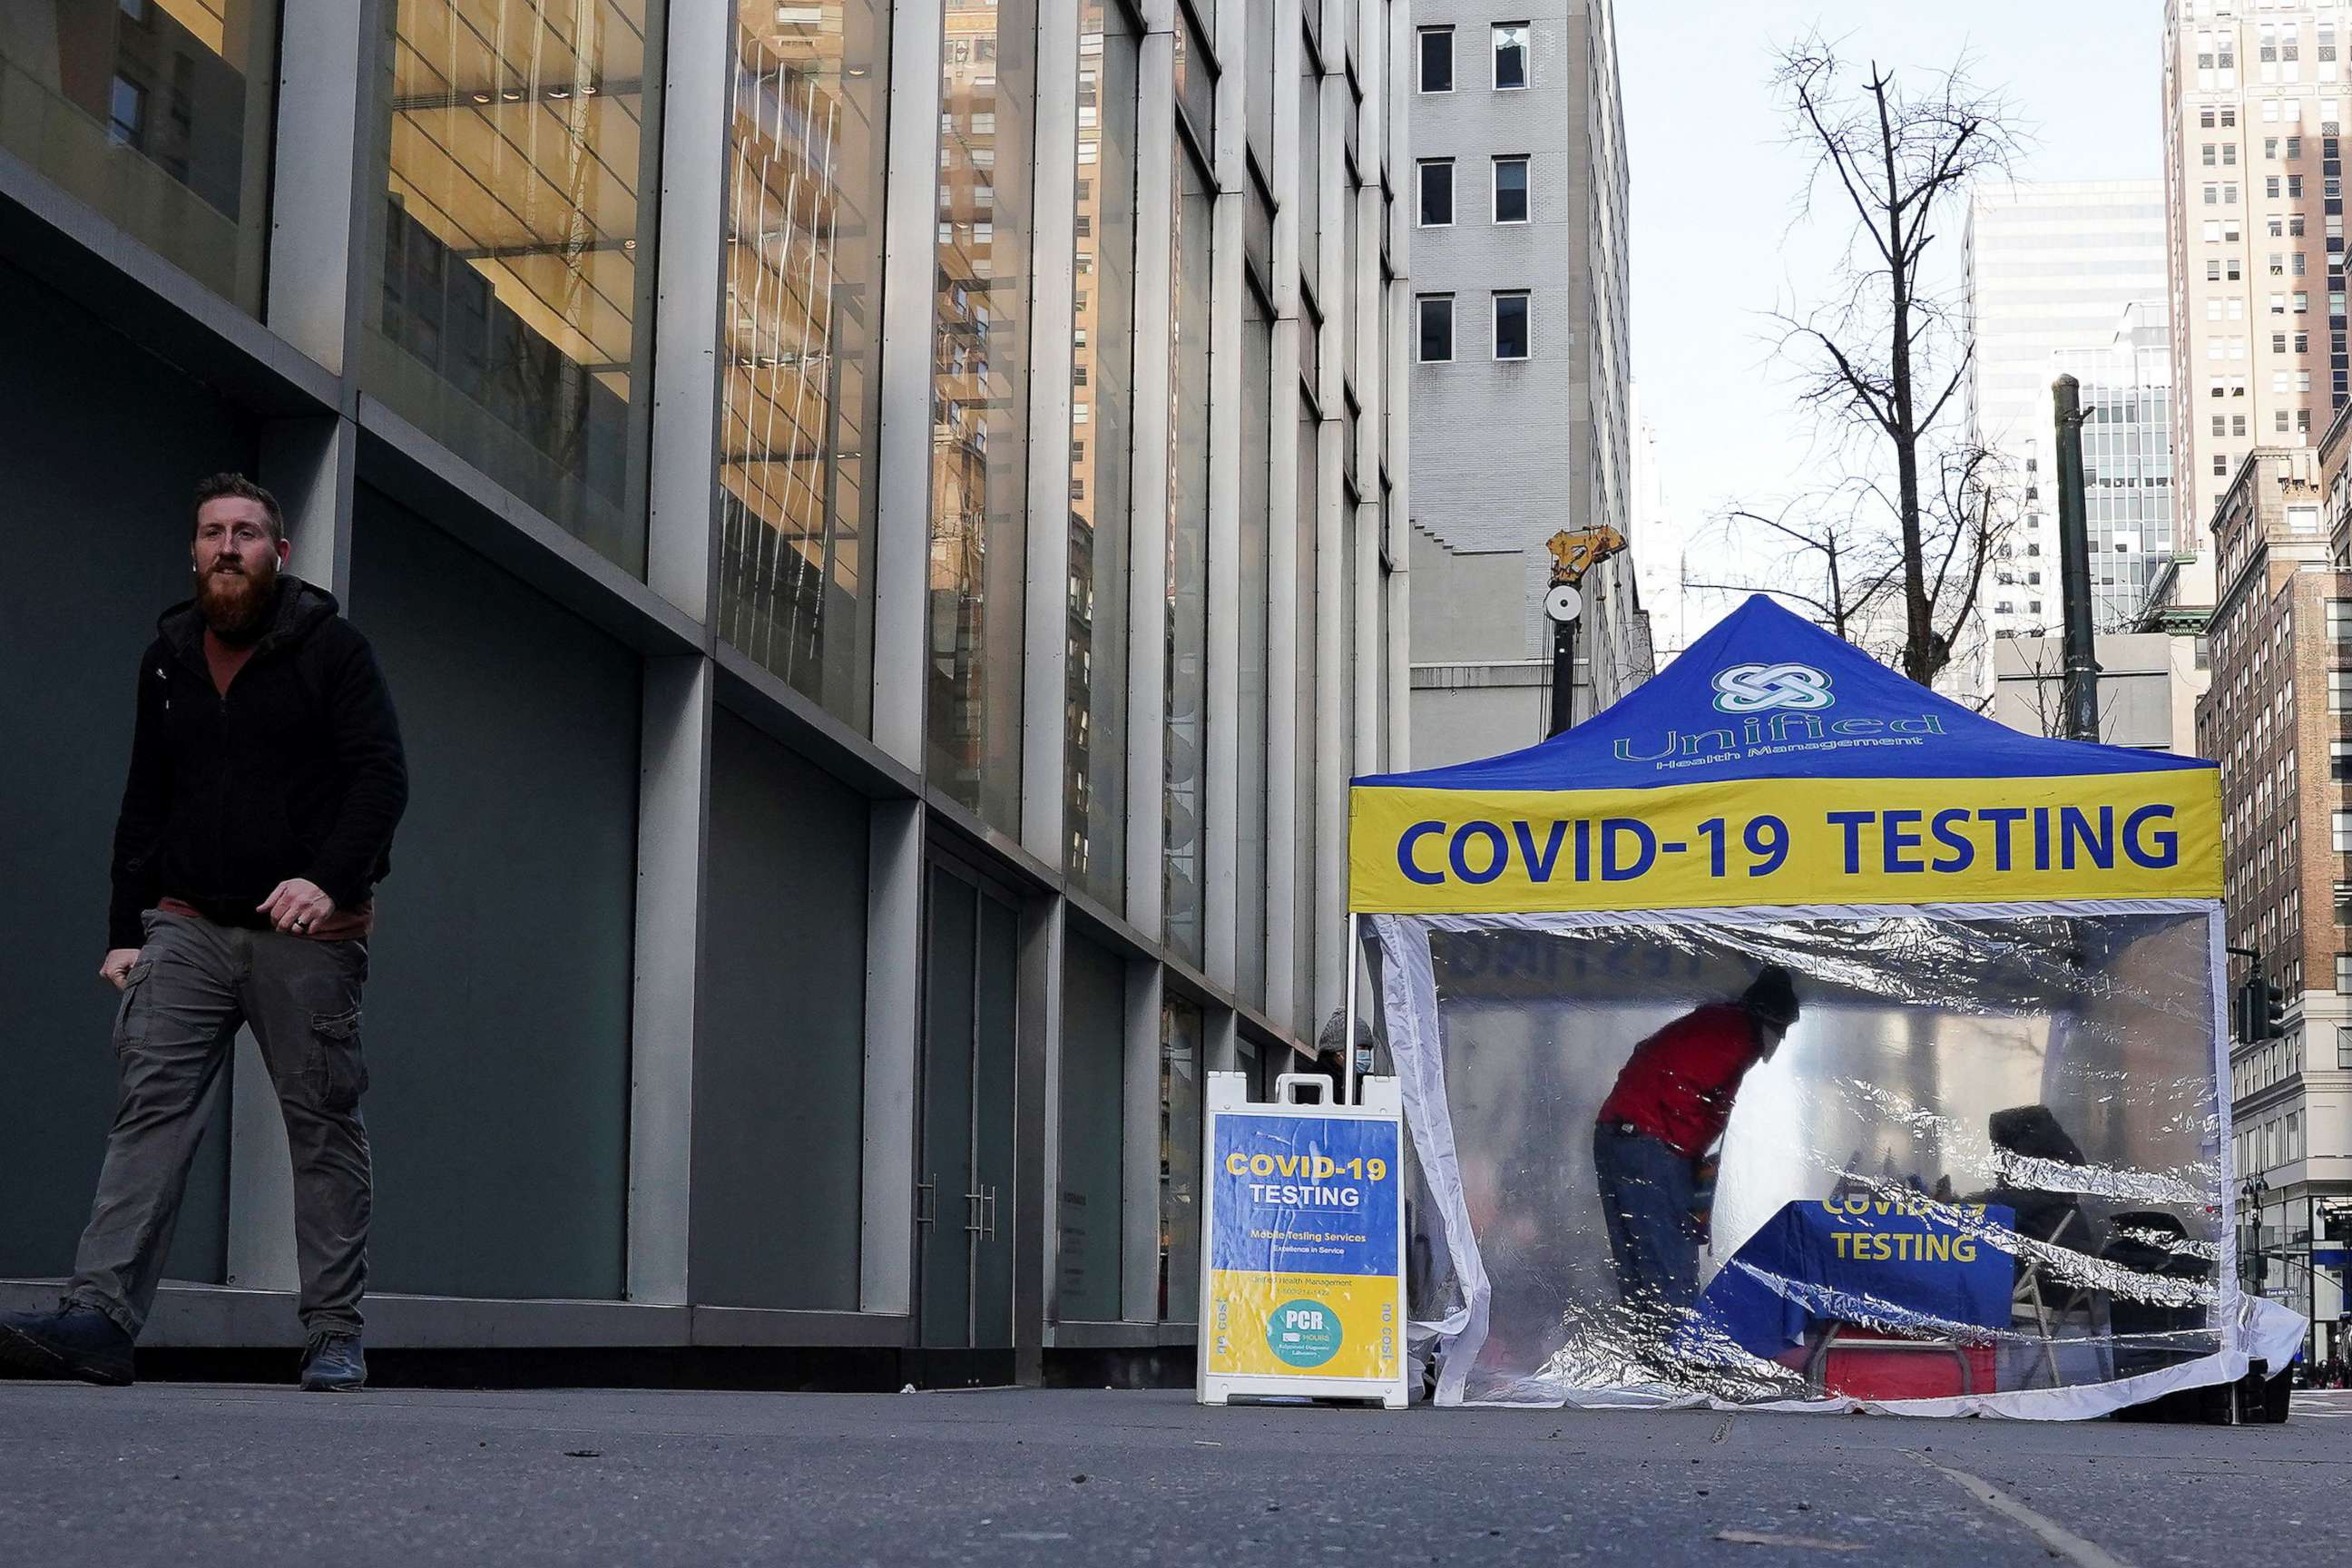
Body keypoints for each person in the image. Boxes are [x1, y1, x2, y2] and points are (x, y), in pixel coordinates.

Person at [0, 475, 407, 1393]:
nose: (229, 547)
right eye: (214, 533)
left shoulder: (332, 652)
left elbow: (381, 780)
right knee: (151, 1111)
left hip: (306, 931)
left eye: (248, 534)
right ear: (193, 552)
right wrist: (124, 929)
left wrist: (327, 878)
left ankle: (335, 1332)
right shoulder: (168, 656)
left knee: (322, 1125)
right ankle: (97, 1318)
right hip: (184, 923)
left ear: (279, 554)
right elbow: (147, 797)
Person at [1591, 965, 1800, 1330]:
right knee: (1670, 1267)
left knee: (1637, 1267)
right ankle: (1679, 1368)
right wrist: (1686, 1156)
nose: (1777, 1046)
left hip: (1618, 1134)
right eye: (1780, 1034)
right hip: (1650, 1142)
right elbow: (1684, 1092)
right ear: (1773, 1023)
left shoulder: (1713, 1023)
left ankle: (1652, 1361)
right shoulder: (1737, 1036)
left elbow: (1658, 1063)